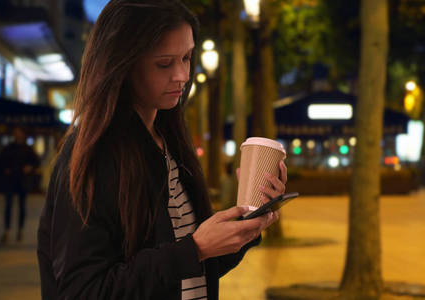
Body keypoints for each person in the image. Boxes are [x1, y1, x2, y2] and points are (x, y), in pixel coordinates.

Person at [37, 0, 288, 299]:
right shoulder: (95, 153)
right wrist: (195, 248)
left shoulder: (171, 141)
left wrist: (245, 229)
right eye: (165, 63)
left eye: (186, 57)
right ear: (124, 64)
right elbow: (84, 290)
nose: (182, 75)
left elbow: (189, 274)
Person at [0, 127, 40, 244]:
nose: (17, 135)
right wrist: (5, 169)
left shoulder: (27, 149)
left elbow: (36, 162)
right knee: (8, 206)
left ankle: (20, 230)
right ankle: (7, 230)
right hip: (10, 180)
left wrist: (29, 168)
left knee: (21, 206)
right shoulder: (9, 148)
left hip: (22, 180)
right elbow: (0, 161)